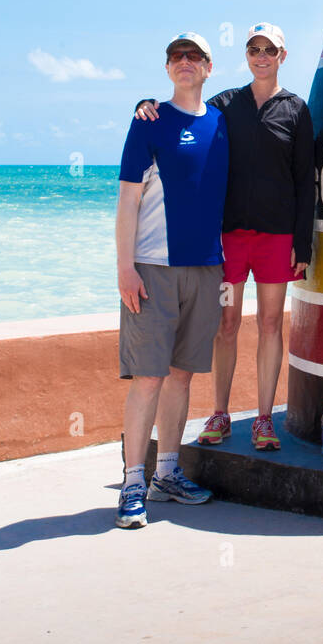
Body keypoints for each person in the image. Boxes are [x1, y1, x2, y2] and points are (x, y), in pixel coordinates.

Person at [135, 22, 315, 451]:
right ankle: (220, 414)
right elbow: (187, 108)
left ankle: (265, 419)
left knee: (271, 323)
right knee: (227, 324)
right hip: (229, 240)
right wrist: (147, 105)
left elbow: (306, 180)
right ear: (247, 55)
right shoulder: (225, 104)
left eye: (270, 49)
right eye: (254, 49)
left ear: (282, 56)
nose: (261, 56)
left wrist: (302, 243)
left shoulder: (296, 109)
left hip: (277, 239)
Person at [115, 32, 228, 528]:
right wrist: (124, 267)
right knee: (148, 378)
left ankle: (167, 474)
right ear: (167, 69)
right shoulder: (148, 122)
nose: (184, 63)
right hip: (152, 268)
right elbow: (128, 200)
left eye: (194, 56)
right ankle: (132, 482)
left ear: (208, 67)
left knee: (181, 376)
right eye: (176, 57)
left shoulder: (224, 122)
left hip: (206, 267)